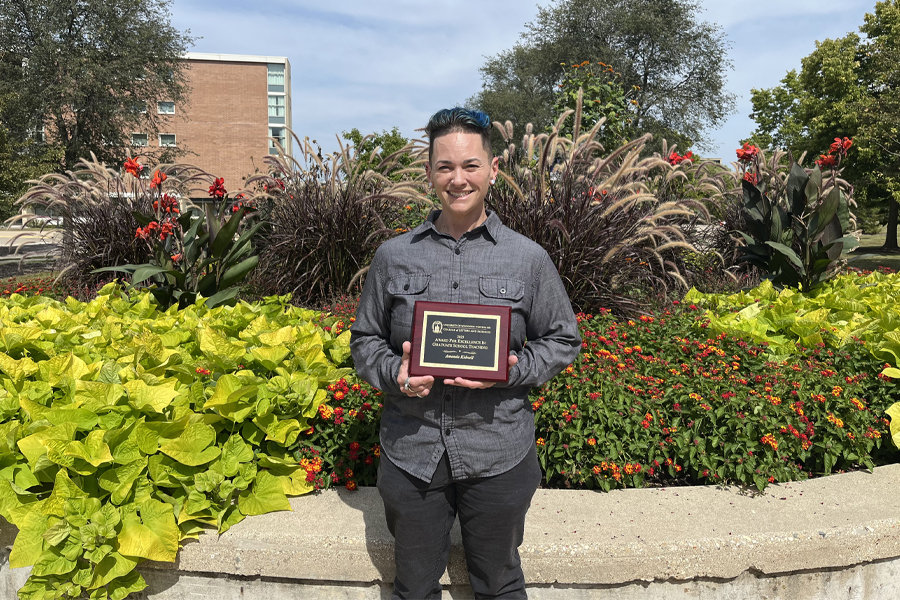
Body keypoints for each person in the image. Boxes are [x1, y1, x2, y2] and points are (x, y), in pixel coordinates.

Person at [350, 107, 581, 599]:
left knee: (499, 585)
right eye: (445, 167)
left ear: (493, 170)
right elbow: (365, 341)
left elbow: (563, 339)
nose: (458, 179)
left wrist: (513, 372)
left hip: (498, 452)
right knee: (413, 588)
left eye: (471, 165)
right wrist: (397, 373)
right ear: (429, 172)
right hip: (413, 455)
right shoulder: (394, 255)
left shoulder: (527, 258)